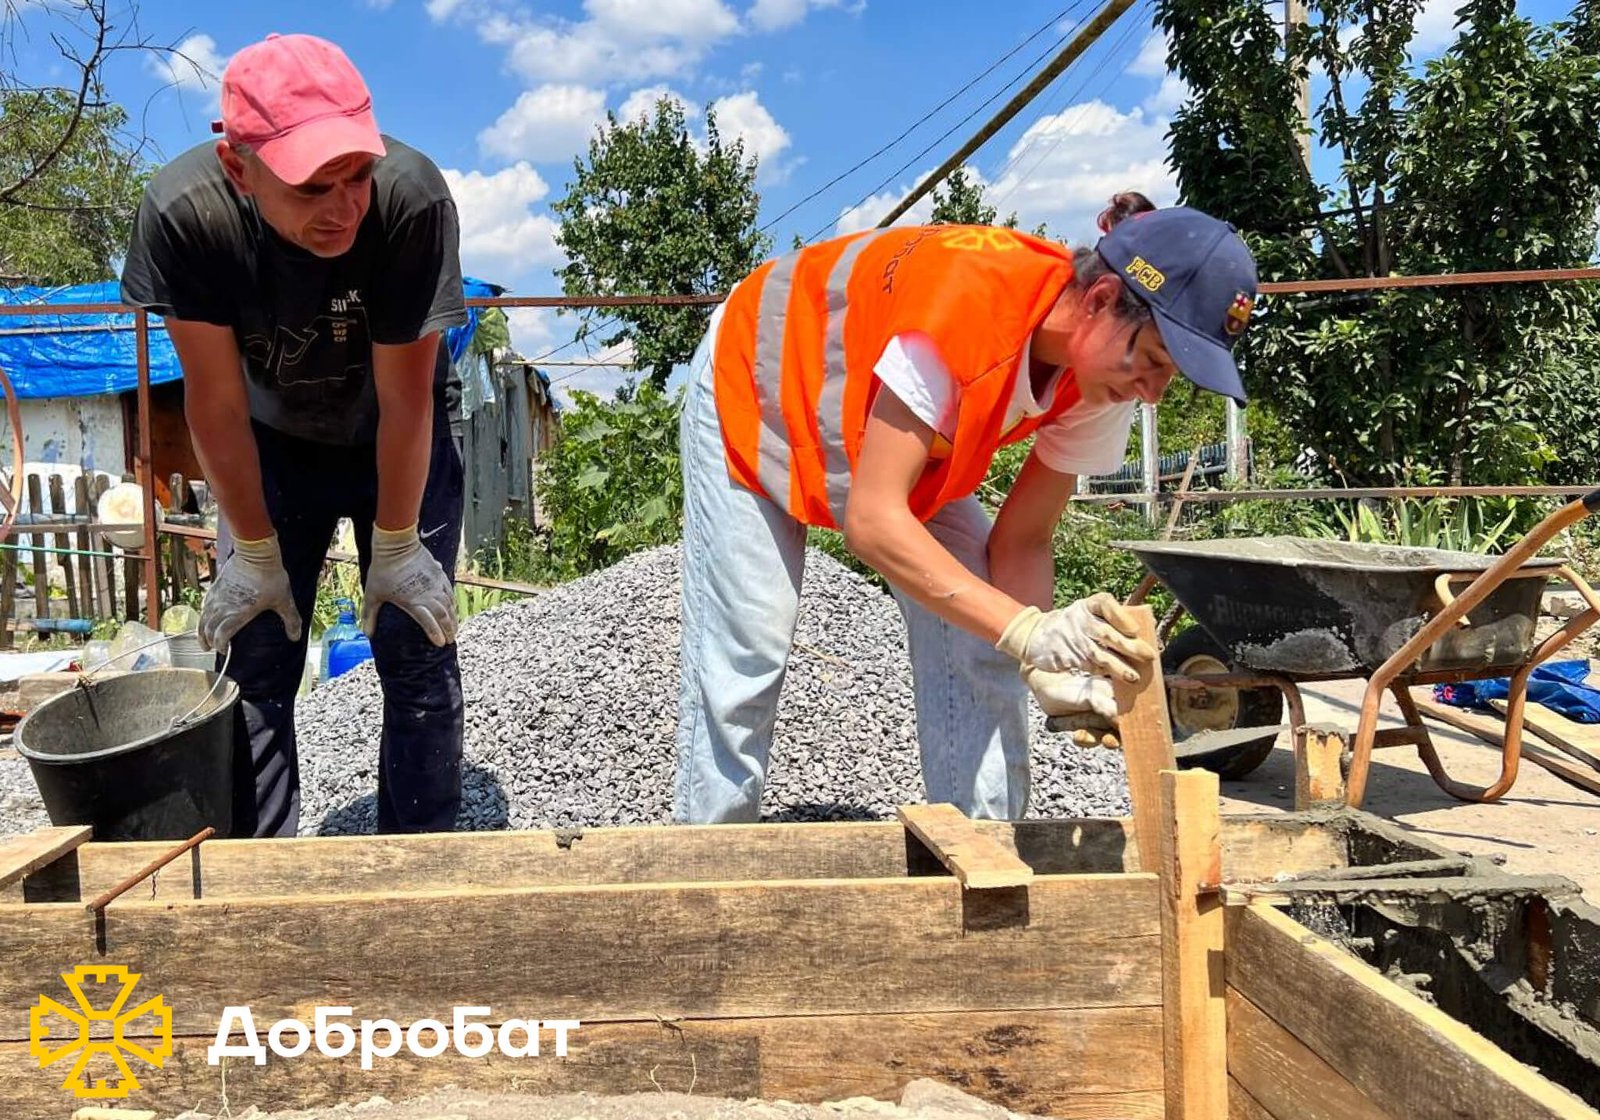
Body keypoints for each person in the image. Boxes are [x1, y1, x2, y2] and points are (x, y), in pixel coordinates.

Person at [675, 193, 1258, 823]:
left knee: (984, 630)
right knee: (749, 652)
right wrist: (1026, 629)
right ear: (1099, 302)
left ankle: (985, 857)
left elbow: (1023, 541)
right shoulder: (966, 309)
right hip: (759, 384)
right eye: (1151, 362)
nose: (1152, 393)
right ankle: (707, 874)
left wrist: (1042, 658)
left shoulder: (1102, 382)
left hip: (876, 433)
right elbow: (873, 523)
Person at [120, 33, 467, 837]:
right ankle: (262, 874)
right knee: (258, 649)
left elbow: (406, 396)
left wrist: (398, 544)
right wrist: (257, 555)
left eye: (357, 176)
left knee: (416, 643)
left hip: (395, 431)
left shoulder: (412, 200)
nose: (344, 207)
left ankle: (419, 872)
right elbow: (213, 401)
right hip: (272, 437)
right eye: (313, 187)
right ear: (239, 168)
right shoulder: (188, 214)